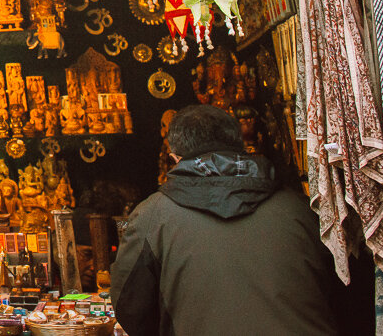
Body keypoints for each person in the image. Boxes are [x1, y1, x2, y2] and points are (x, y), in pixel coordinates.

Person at [110, 104, 351, 336]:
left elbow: (131, 309)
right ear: (240, 146)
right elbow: (346, 295)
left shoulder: (151, 216)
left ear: (174, 157)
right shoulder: (301, 209)